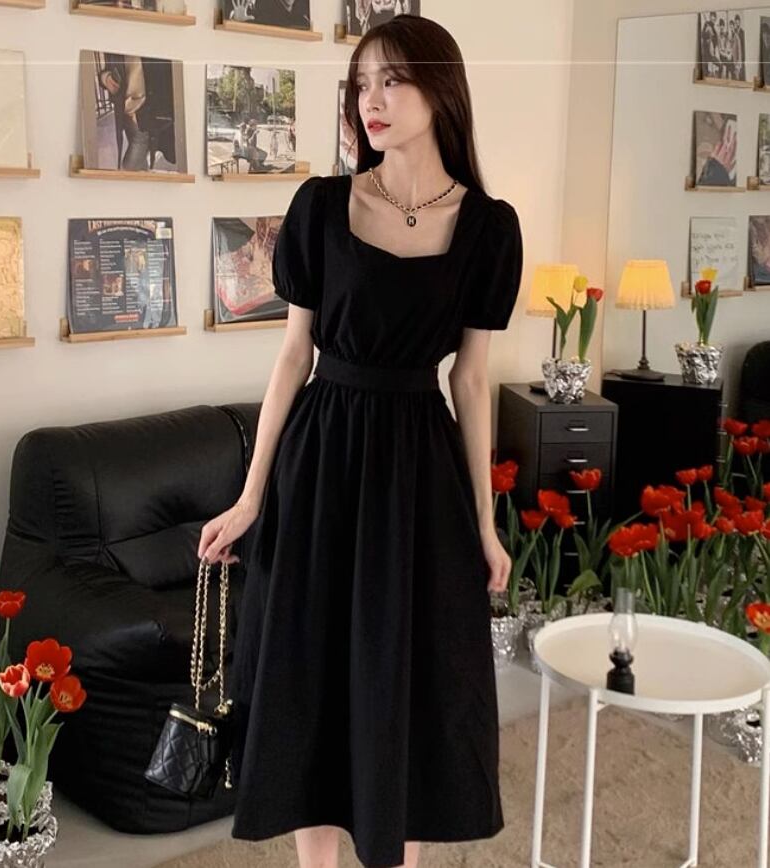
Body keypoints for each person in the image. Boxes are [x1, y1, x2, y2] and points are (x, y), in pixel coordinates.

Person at [198, 13, 522, 868]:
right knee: (305, 677)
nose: (370, 100)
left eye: (392, 80)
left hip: (419, 474)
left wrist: (484, 524)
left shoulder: (489, 228)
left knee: (404, 681)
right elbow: (292, 356)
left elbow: (471, 381)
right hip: (320, 465)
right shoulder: (320, 206)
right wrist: (251, 495)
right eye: (361, 84)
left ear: (439, 90)